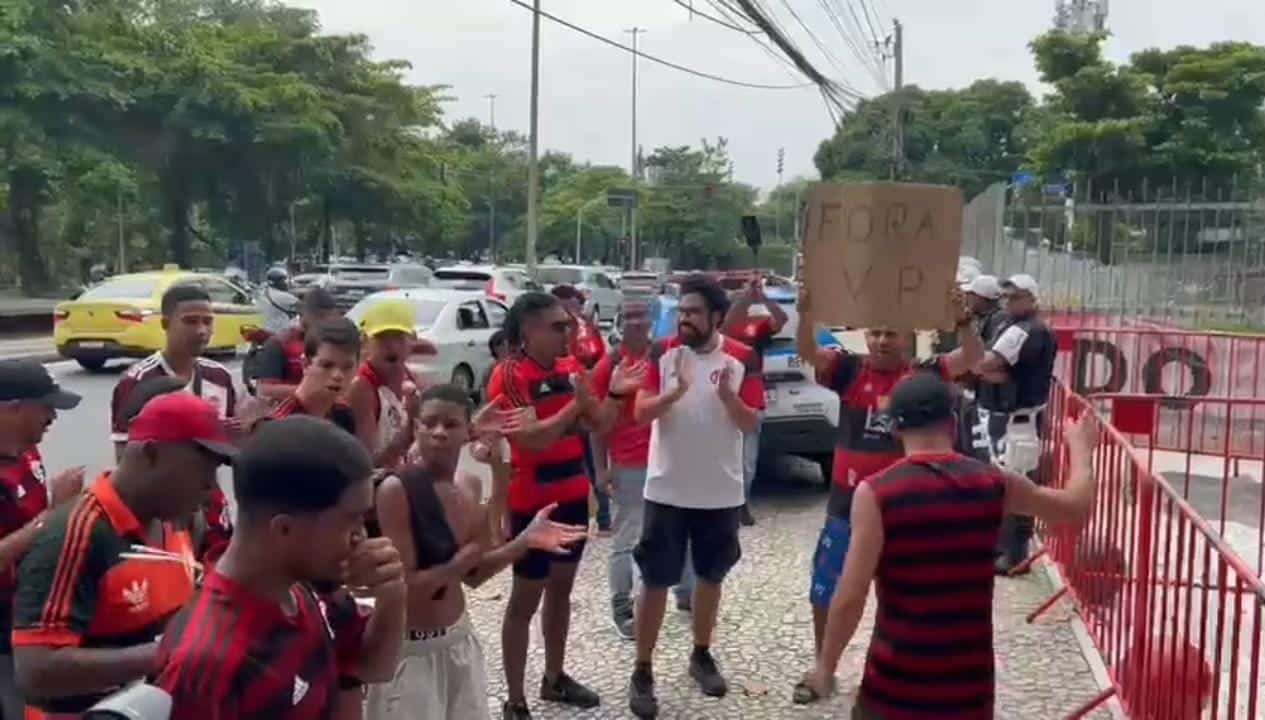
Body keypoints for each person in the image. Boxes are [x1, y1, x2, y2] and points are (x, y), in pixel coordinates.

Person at [795, 372, 1098, 718]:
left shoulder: (878, 493)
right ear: (953, 423)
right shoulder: (994, 483)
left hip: (894, 690)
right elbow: (1073, 507)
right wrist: (1081, 449)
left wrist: (825, 668)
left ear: (895, 428)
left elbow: (850, 596)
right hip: (968, 691)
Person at [154, 416, 408, 720]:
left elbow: (372, 665)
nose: (361, 537)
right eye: (350, 520)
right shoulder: (207, 664)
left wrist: (393, 594)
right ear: (284, 529)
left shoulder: (303, 588)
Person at [368, 384, 588, 720]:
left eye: (450, 424)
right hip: (410, 651)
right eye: (429, 423)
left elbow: (476, 574)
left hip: (458, 639)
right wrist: (458, 562)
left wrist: (525, 541)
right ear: (417, 428)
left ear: (466, 432)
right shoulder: (398, 489)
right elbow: (405, 586)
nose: (439, 432)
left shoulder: (469, 488)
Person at [13, 393, 233, 718]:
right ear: (152, 454)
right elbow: (35, 672)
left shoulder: (180, 519)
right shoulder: (78, 534)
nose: (209, 487)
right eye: (202, 469)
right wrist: (166, 653)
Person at [794, 286, 984, 658]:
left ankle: (896, 662)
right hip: (845, 506)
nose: (882, 341)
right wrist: (806, 314)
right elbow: (806, 352)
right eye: (876, 332)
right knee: (826, 590)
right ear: (865, 336)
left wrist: (963, 320)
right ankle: (823, 664)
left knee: (902, 596)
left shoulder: (922, 375)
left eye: (891, 333)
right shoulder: (848, 370)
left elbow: (972, 357)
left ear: (908, 338)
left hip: (902, 509)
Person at [486, 292, 636, 719]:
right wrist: (577, 404)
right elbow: (531, 439)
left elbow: (598, 424)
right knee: (524, 599)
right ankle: (515, 699)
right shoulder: (510, 375)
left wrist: (617, 396)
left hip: (572, 495)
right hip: (533, 505)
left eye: (567, 325)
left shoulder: (571, 369)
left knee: (562, 592)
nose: (566, 332)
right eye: (556, 327)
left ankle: (554, 677)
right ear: (528, 331)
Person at [626, 273, 763, 719]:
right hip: (666, 487)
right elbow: (640, 411)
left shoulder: (743, 357)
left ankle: (701, 654)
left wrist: (727, 396)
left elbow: (751, 423)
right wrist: (676, 391)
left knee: (710, 576)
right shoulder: (662, 353)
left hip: (720, 490)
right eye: (681, 311)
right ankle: (643, 668)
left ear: (716, 317)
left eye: (693, 312)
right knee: (655, 579)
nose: (683, 319)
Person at [109, 282, 237, 565]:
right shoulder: (137, 381)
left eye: (207, 321)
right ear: (166, 324)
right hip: (164, 507)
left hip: (210, 502)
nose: (202, 330)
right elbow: (126, 457)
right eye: (190, 322)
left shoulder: (220, 377)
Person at [0, 361, 83, 719]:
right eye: (46, 406)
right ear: (13, 407)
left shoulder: (27, 450)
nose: (52, 417)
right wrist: (53, 514)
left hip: (28, 609)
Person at [976, 274, 1059, 575]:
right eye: (1006, 296)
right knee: (1007, 480)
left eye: (1016, 297)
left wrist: (977, 366)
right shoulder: (1009, 324)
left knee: (1017, 483)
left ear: (1032, 298)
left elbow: (987, 364)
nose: (1009, 302)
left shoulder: (1027, 330)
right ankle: (1006, 548)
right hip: (1009, 415)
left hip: (1017, 418)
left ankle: (1015, 554)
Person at [590, 298, 655, 640]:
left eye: (641, 315)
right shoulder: (609, 365)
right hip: (628, 462)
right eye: (628, 316)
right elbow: (597, 424)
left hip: (664, 462)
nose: (635, 322)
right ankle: (621, 607)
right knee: (625, 540)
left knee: (657, 537)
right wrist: (601, 469)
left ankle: (661, 601)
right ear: (618, 321)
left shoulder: (662, 357)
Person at [721, 272, 788, 527]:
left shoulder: (754, 327)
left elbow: (780, 319)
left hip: (751, 398)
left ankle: (741, 503)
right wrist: (745, 299)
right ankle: (726, 506)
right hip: (724, 401)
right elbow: (726, 325)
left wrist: (764, 298)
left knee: (747, 463)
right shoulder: (721, 328)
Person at [550, 285, 609, 534]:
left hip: (587, 401)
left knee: (592, 461)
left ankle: (604, 516)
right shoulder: (555, 333)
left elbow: (600, 359)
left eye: (574, 303)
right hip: (561, 405)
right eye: (568, 303)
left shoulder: (586, 329)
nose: (573, 308)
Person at [348, 299, 425, 468]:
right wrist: (411, 423)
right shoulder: (361, 387)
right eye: (382, 338)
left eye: (399, 338)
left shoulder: (413, 379)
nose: (392, 346)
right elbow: (367, 464)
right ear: (366, 343)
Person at [271, 318, 361, 435]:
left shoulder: (344, 415)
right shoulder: (283, 424)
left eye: (347, 367)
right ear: (305, 364)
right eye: (326, 365)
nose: (338, 375)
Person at [255, 288, 341, 402]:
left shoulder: (338, 344)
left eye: (329, 317)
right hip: (290, 414)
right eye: (319, 316)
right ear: (303, 314)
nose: (324, 322)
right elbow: (265, 390)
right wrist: (311, 391)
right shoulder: (280, 343)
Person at [258, 266, 301, 335]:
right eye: (283, 280)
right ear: (276, 282)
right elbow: (305, 307)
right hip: (279, 332)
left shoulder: (265, 292)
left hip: (266, 328)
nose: (286, 283)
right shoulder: (283, 296)